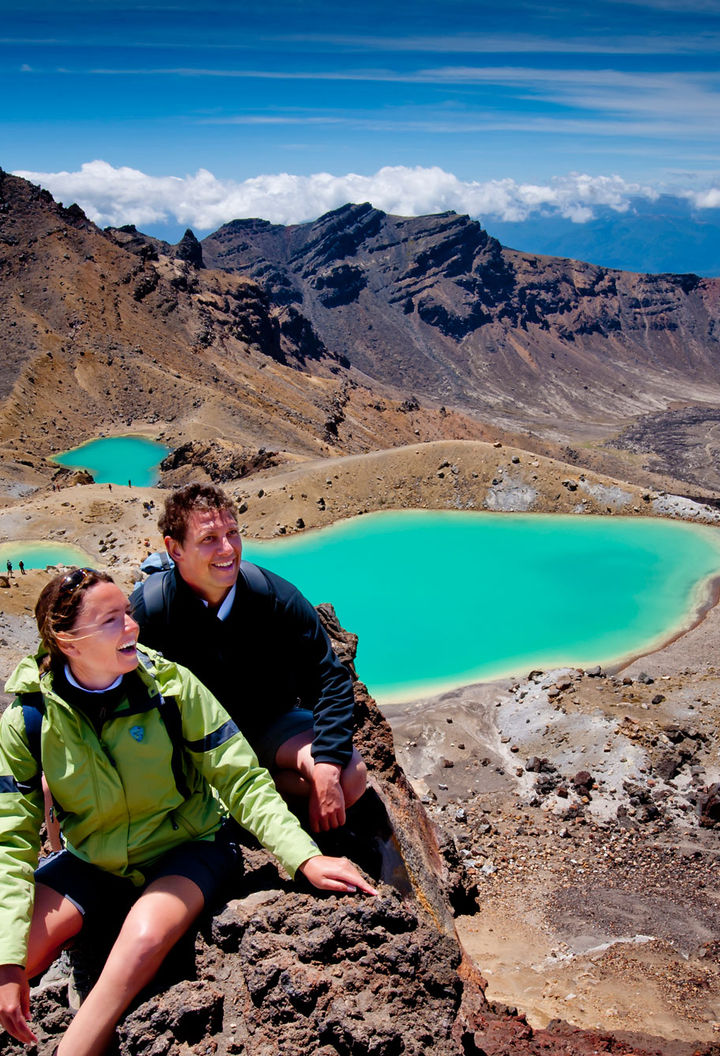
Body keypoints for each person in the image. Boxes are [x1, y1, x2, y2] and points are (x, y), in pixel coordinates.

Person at [0, 568, 376, 1056]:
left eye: (129, 615)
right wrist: (9, 966)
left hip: (189, 847)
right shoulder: (29, 719)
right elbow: (11, 841)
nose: (131, 627)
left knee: (143, 936)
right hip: (95, 859)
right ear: (67, 641)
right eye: (111, 620)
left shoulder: (171, 687)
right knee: (11, 955)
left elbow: (240, 779)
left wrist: (304, 857)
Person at [130, 484, 367, 835]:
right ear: (174, 548)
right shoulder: (149, 612)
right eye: (209, 538)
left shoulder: (274, 598)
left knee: (350, 777)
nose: (227, 549)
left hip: (264, 725)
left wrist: (327, 768)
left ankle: (249, 792)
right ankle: (231, 797)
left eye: (233, 533)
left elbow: (330, 680)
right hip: (190, 745)